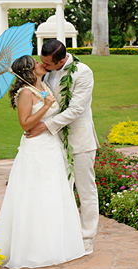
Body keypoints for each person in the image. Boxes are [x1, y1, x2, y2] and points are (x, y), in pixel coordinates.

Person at [0, 55, 85, 269]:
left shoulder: (43, 85)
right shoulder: (25, 93)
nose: (41, 64)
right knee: (36, 193)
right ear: (29, 71)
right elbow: (25, 125)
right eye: (36, 63)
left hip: (52, 146)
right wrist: (45, 106)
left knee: (54, 192)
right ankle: (34, 249)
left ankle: (58, 244)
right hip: (36, 149)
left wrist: (47, 102)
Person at [27, 39, 100, 256]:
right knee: (60, 189)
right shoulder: (46, 72)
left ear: (61, 61)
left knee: (86, 191)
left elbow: (76, 110)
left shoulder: (83, 73)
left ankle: (87, 237)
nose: (43, 66)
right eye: (42, 62)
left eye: (47, 64)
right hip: (54, 142)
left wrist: (44, 126)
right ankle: (64, 235)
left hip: (80, 140)